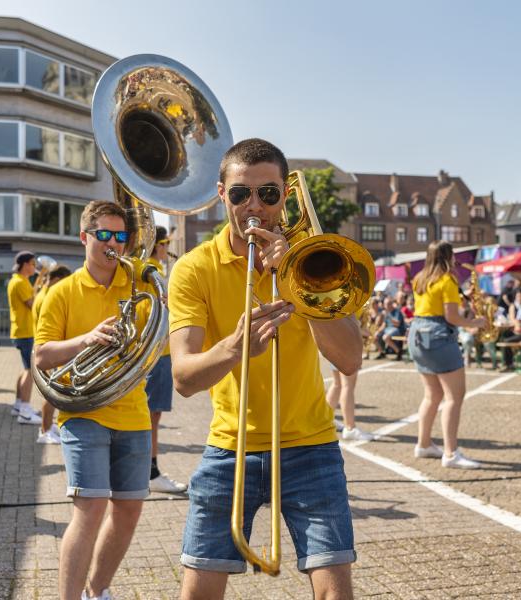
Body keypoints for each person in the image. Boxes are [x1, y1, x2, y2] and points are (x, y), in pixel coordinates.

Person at [169, 138, 361, 599]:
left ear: (285, 196)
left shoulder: (315, 259)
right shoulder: (194, 269)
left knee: (336, 593)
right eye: (241, 194)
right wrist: (234, 349)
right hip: (229, 446)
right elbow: (183, 379)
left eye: (268, 194)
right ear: (222, 195)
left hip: (312, 445)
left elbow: (350, 359)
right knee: (197, 592)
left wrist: (298, 282)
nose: (255, 206)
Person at [35, 200, 152, 600]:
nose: (113, 243)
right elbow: (42, 355)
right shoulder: (62, 292)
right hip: (83, 411)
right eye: (103, 234)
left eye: (120, 236)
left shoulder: (141, 285)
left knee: (129, 510)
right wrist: (86, 340)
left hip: (133, 411)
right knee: (90, 508)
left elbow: (160, 341)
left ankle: (97, 590)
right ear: (84, 237)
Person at [407, 241, 487, 469]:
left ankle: (424, 444)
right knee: (455, 397)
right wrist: (474, 323)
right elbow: (452, 317)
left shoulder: (420, 278)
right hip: (438, 336)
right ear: (448, 257)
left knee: (431, 395)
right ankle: (451, 453)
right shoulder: (447, 280)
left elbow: (432, 305)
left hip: (418, 335)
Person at [145, 225, 188, 494]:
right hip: (158, 353)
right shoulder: (152, 273)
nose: (166, 249)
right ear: (158, 245)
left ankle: (146, 471)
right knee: (152, 416)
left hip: (157, 352)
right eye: (165, 244)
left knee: (151, 415)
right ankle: (150, 472)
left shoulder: (149, 271)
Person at [31, 263, 72, 445]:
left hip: (50, 348)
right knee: (53, 394)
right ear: (56, 280)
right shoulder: (49, 296)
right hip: (49, 349)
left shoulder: (43, 294)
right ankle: (44, 430)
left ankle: (46, 428)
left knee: (54, 393)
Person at [9, 251, 43, 426]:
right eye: (32, 263)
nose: (34, 267)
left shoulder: (19, 281)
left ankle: (18, 405)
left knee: (25, 370)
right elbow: (33, 305)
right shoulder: (20, 282)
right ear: (23, 265)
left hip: (22, 330)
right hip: (25, 331)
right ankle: (25, 410)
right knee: (30, 371)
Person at [376, 296, 405, 360]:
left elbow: (397, 324)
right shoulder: (387, 312)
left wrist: (389, 317)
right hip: (388, 329)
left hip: (397, 330)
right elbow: (384, 324)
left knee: (385, 337)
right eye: (385, 304)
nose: (386, 306)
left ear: (391, 304)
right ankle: (382, 353)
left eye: (388, 304)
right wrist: (378, 331)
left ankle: (398, 352)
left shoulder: (397, 311)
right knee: (375, 336)